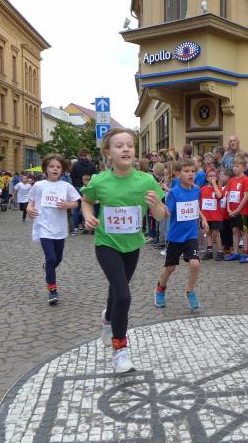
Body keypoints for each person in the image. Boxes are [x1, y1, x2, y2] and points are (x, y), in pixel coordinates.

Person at [81, 128, 167, 373]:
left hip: (132, 245)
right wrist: (88, 217)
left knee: (116, 289)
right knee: (123, 295)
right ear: (108, 153)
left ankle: (108, 318)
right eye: (119, 146)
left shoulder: (146, 180)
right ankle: (120, 351)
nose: (126, 149)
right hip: (106, 244)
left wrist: (156, 205)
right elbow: (86, 201)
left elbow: (160, 215)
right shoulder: (99, 181)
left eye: (129, 145)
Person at [26, 154, 81, 305]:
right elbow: (31, 202)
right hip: (43, 226)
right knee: (50, 258)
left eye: (58, 167)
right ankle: (52, 290)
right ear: (46, 169)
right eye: (51, 166)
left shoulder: (66, 186)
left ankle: (48, 268)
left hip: (59, 228)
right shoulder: (39, 185)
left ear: (62, 170)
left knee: (58, 258)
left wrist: (68, 205)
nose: (55, 169)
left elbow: (76, 202)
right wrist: (29, 209)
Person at [154, 158, 206, 310]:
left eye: (193, 171)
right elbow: (168, 211)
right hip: (176, 237)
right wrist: (164, 210)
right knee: (170, 267)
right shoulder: (174, 193)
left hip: (191, 235)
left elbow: (195, 206)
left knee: (195, 264)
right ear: (178, 174)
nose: (191, 174)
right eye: (186, 171)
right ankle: (160, 288)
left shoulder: (196, 190)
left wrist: (203, 218)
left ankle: (190, 291)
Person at [224, 156, 248, 263]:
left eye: (237, 166)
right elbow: (228, 195)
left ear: (243, 167)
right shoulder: (231, 180)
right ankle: (236, 252)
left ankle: (245, 253)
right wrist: (228, 208)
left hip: (242, 212)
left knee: (243, 231)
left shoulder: (245, 180)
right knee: (234, 230)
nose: (234, 168)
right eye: (234, 166)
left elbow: (246, 196)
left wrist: (238, 209)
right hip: (232, 211)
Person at [70, 149, 98, 233]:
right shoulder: (91, 164)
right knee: (88, 206)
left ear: (79, 155)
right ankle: (87, 226)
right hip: (88, 187)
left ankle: (75, 227)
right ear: (87, 155)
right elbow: (95, 175)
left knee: (76, 208)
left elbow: (72, 175)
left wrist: (76, 183)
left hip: (77, 187)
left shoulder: (75, 164)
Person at [200, 167, 225, 261]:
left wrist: (214, 184)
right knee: (208, 233)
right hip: (206, 216)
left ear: (217, 178)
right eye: (210, 176)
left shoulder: (218, 188)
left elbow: (219, 196)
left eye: (214, 176)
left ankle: (220, 251)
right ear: (206, 178)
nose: (212, 178)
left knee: (216, 233)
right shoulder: (202, 189)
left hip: (216, 216)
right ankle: (209, 251)